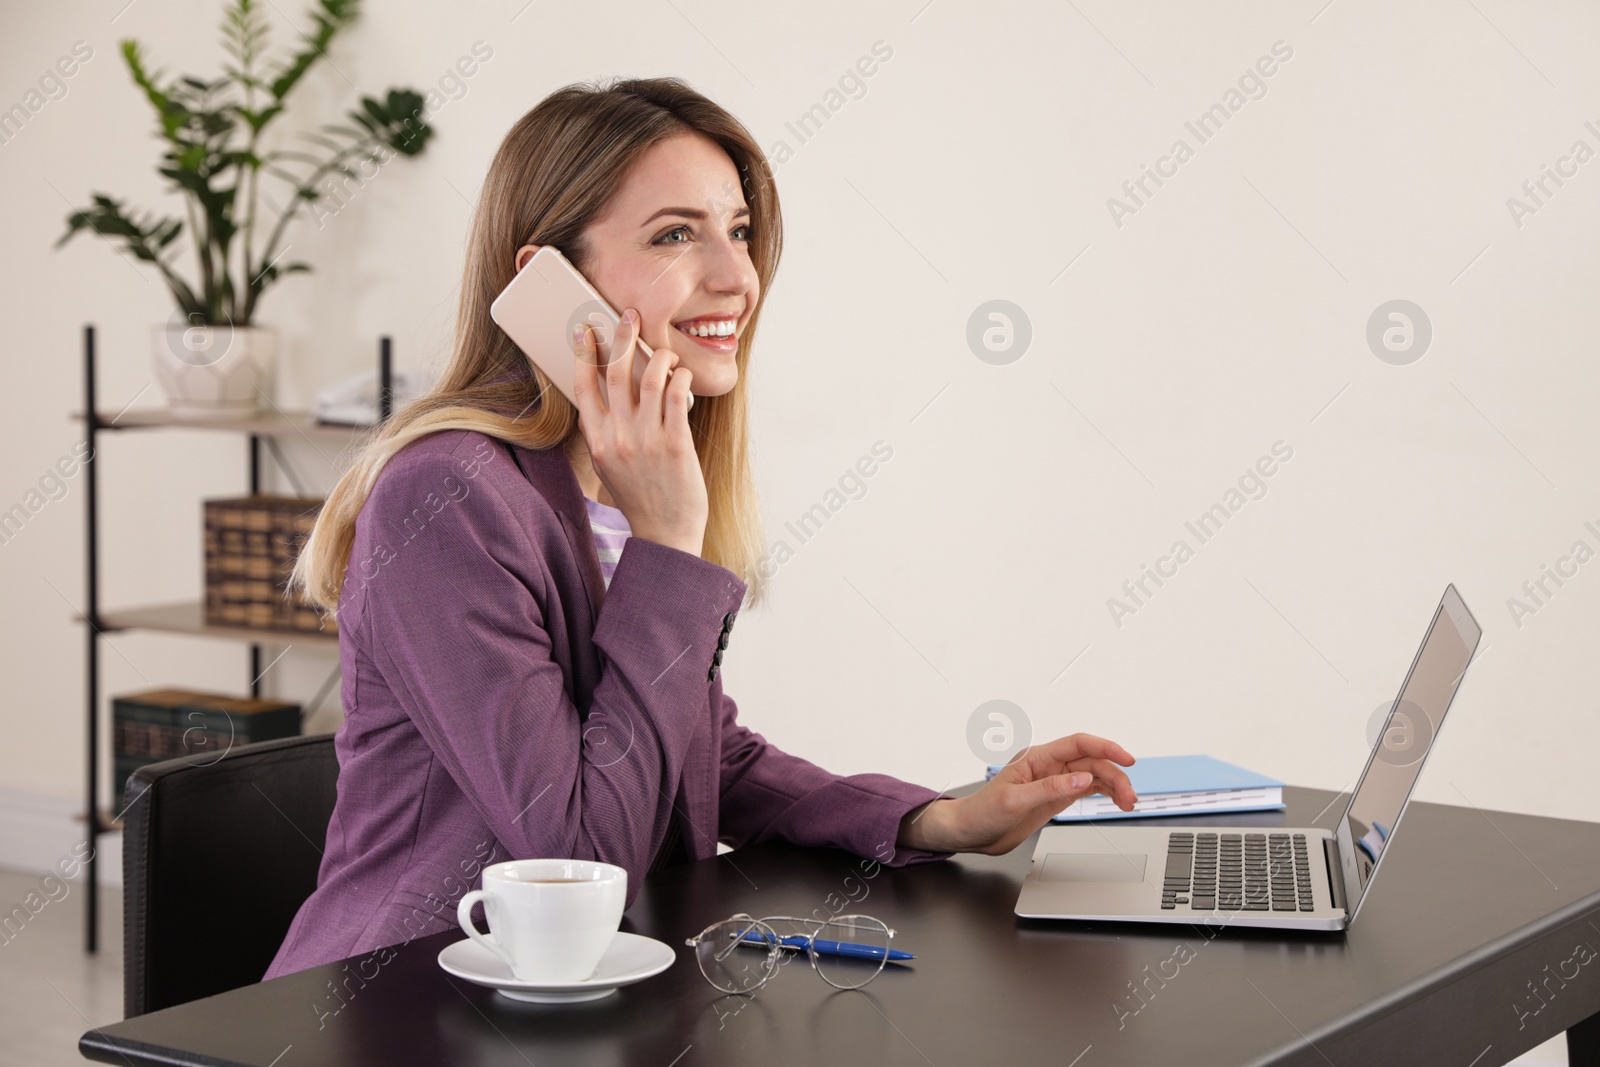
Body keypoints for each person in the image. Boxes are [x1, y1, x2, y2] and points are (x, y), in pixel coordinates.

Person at [264, 76, 1138, 980]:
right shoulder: (447, 496)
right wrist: (670, 544)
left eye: (740, 230)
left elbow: (702, 749)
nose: (736, 277)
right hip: (403, 1000)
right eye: (676, 233)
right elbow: (582, 850)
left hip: (578, 993)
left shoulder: (608, 482)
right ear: (545, 282)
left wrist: (937, 818)